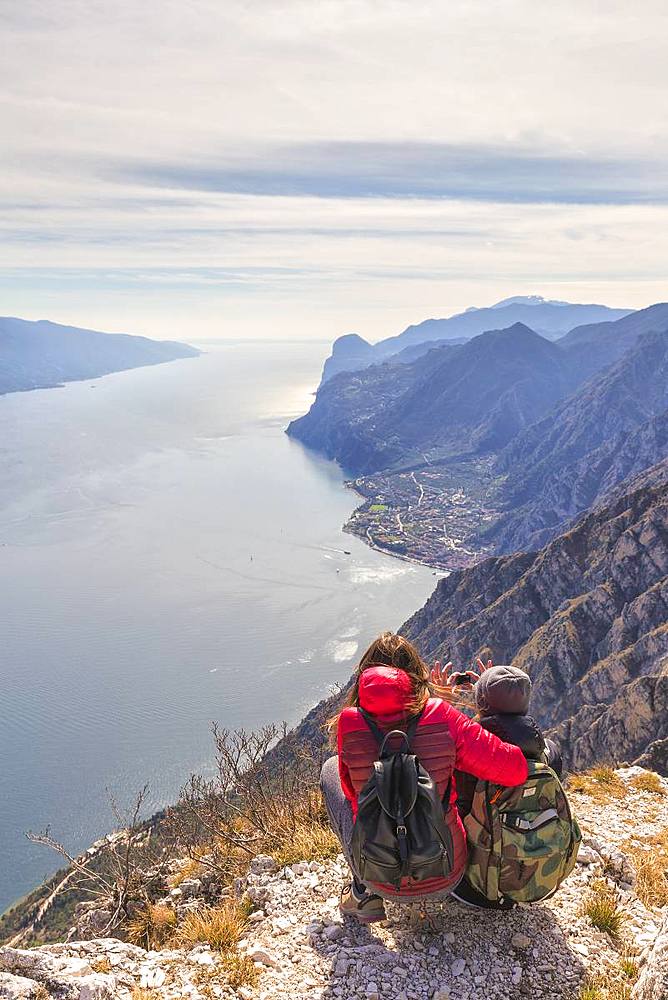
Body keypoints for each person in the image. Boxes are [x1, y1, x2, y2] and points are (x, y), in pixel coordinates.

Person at [319, 633, 529, 923]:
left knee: (331, 770)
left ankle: (363, 892)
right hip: (446, 871)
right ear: (416, 675)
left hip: (380, 875)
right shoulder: (443, 716)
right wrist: (481, 712)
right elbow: (515, 769)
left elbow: (354, 797)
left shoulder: (349, 723)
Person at [439, 660, 564, 909]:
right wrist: (502, 691)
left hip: (472, 887)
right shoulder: (549, 752)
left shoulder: (463, 756)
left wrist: (443, 705)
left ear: (481, 703)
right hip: (538, 881)